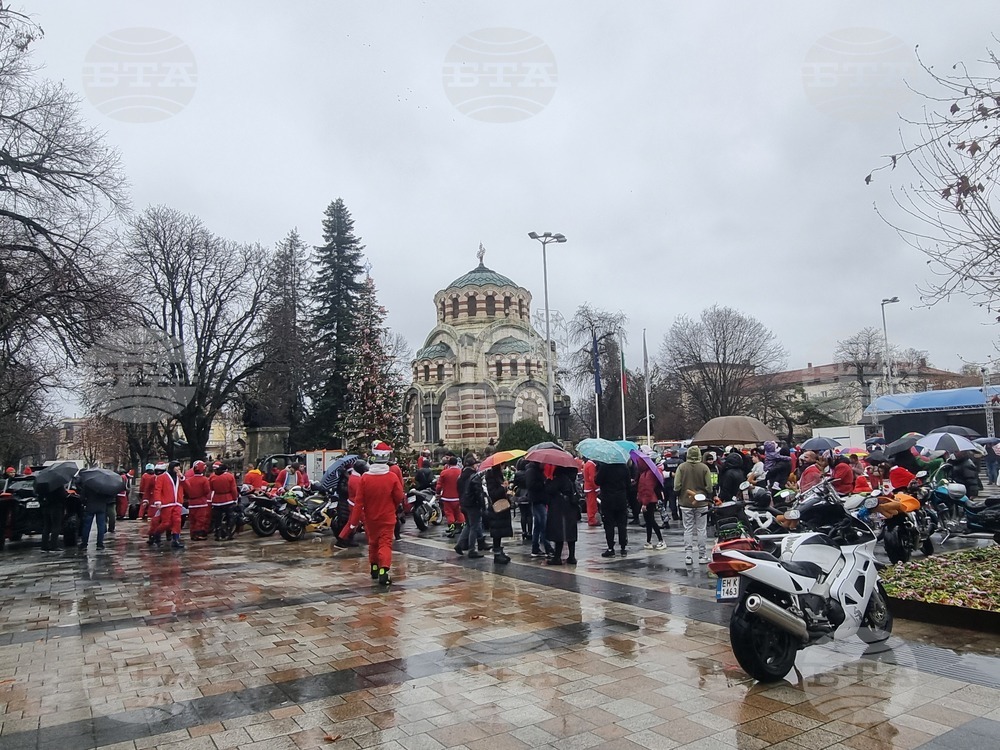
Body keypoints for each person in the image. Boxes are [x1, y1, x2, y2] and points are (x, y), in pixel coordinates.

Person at [356, 443, 404, 585]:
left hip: (371, 517)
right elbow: (399, 496)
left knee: (373, 543)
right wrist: (393, 507)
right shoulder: (391, 477)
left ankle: (374, 567)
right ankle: (384, 570)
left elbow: (359, 501)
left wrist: (355, 521)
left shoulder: (365, 477)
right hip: (387, 517)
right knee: (385, 544)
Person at [673, 445, 713, 565]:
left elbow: (677, 486)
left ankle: (688, 555)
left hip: (685, 502)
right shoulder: (704, 467)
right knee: (701, 529)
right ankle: (702, 555)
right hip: (701, 502)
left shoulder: (682, 467)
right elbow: (709, 487)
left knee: (688, 529)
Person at [545, 465, 579, 565]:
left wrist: (548, 481)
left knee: (559, 533)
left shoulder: (560, 479)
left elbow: (549, 489)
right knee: (570, 533)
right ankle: (571, 557)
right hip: (571, 508)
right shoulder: (571, 479)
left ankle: (557, 557)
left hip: (560, 508)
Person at [595, 461, 630, 558]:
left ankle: (610, 548)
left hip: (608, 499)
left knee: (609, 524)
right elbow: (628, 484)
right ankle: (623, 547)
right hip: (621, 499)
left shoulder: (604, 467)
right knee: (622, 524)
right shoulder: (624, 467)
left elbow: (597, 481)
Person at [455, 454, 486, 558]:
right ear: (473, 466)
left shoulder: (461, 476)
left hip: (463, 503)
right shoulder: (474, 476)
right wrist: (482, 505)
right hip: (473, 504)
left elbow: (459, 490)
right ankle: (472, 549)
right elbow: (478, 492)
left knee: (468, 525)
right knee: (474, 526)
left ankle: (459, 545)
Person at [150, 460, 185, 548]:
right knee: (166, 523)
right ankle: (156, 534)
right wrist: (158, 501)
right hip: (167, 504)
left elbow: (187, 486)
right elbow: (157, 489)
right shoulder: (162, 477)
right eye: (176, 466)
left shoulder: (179, 477)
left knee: (177, 521)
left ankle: (175, 540)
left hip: (177, 503)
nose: (178, 468)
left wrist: (182, 478)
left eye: (179, 467)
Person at [335, 460, 369, 548]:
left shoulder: (353, 477)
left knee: (351, 523)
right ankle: (372, 540)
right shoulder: (356, 479)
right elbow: (361, 493)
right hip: (356, 505)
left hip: (353, 503)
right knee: (366, 522)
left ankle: (341, 539)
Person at [524, 460, 554, 558]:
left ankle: (535, 548)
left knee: (537, 525)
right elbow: (531, 485)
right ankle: (547, 546)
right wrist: (544, 483)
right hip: (537, 500)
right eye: (543, 463)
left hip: (540, 500)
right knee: (543, 525)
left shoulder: (537, 470)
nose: (545, 464)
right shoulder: (531, 471)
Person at [485, 464, 512, 564]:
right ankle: (497, 553)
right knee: (497, 532)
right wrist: (503, 488)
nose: (503, 467)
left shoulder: (499, 475)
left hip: (502, 507)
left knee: (500, 532)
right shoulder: (491, 476)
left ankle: (500, 551)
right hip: (497, 507)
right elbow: (493, 493)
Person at [638, 461, 665, 550]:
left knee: (651, 521)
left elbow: (647, 489)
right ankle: (649, 540)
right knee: (649, 521)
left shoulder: (647, 474)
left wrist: (644, 503)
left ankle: (661, 540)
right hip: (648, 499)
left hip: (649, 500)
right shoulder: (645, 473)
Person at [436, 455, 465, 537]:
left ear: (448, 464)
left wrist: (438, 493)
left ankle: (452, 528)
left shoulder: (444, 473)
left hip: (447, 497)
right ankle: (462, 527)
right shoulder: (461, 472)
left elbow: (439, 485)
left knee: (449, 513)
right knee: (459, 512)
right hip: (459, 497)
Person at [209, 461, 239, 541]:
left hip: (216, 500)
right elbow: (233, 489)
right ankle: (228, 533)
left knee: (217, 519)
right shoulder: (230, 476)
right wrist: (235, 498)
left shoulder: (212, 477)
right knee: (230, 517)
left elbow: (210, 489)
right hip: (228, 499)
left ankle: (218, 534)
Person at [79, 484, 113, 551]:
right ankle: (100, 544)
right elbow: (109, 497)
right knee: (101, 526)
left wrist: (85, 502)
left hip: (90, 506)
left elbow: (82, 497)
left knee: (87, 526)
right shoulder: (104, 485)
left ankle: (84, 544)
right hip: (101, 507)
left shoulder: (88, 484)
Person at [185, 460, 212, 541]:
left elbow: (185, 491)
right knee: (200, 519)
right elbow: (207, 491)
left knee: (192, 519)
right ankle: (198, 534)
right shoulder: (204, 480)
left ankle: (192, 534)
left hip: (191, 503)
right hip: (201, 502)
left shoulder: (189, 480)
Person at [38, 481, 68, 553]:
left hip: (46, 508)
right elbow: (63, 496)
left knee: (46, 526)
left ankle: (44, 545)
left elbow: (39, 496)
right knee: (56, 526)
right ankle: (54, 545)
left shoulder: (42, 485)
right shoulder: (58, 484)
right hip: (56, 507)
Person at [511, 459, 532, 541]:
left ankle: (524, 532)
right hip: (528, 494)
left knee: (523, 514)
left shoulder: (517, 474)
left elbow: (515, 484)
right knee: (529, 514)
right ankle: (530, 532)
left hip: (520, 494)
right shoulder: (529, 472)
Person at [662, 450, 682, 521]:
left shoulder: (666, 463)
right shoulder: (680, 462)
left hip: (668, 484)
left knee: (672, 500)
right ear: (677, 454)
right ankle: (681, 515)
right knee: (680, 499)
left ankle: (674, 515)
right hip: (678, 483)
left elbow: (662, 472)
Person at [582, 459, 599, 526]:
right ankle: (592, 520)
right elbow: (592, 478)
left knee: (590, 504)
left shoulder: (587, 464)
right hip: (591, 488)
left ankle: (591, 519)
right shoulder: (591, 465)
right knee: (592, 505)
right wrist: (596, 487)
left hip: (588, 487)